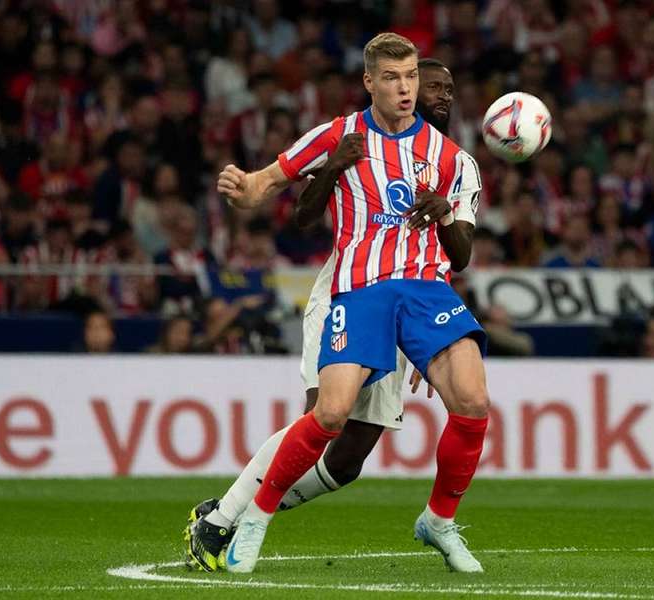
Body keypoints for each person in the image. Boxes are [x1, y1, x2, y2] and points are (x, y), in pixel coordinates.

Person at [198, 34, 488, 575]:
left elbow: (456, 254)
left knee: (352, 455)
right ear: (374, 82)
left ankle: (438, 519)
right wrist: (249, 186)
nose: (429, 93)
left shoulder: (454, 161)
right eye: (420, 82)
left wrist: (431, 345)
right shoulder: (343, 134)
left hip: (421, 297)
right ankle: (229, 517)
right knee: (325, 413)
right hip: (347, 286)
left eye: (426, 83)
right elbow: (274, 193)